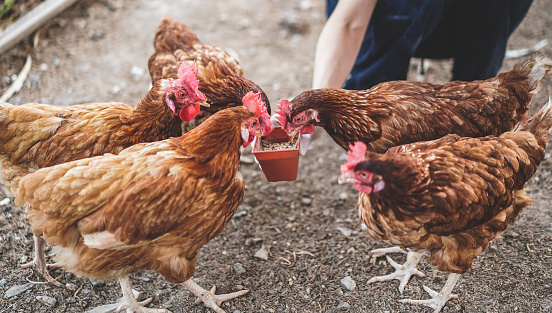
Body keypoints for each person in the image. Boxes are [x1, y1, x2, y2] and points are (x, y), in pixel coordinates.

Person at [312, 0, 534, 90]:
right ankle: (369, 105)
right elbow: (349, 22)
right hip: (381, 12)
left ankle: (471, 103)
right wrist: (318, 99)